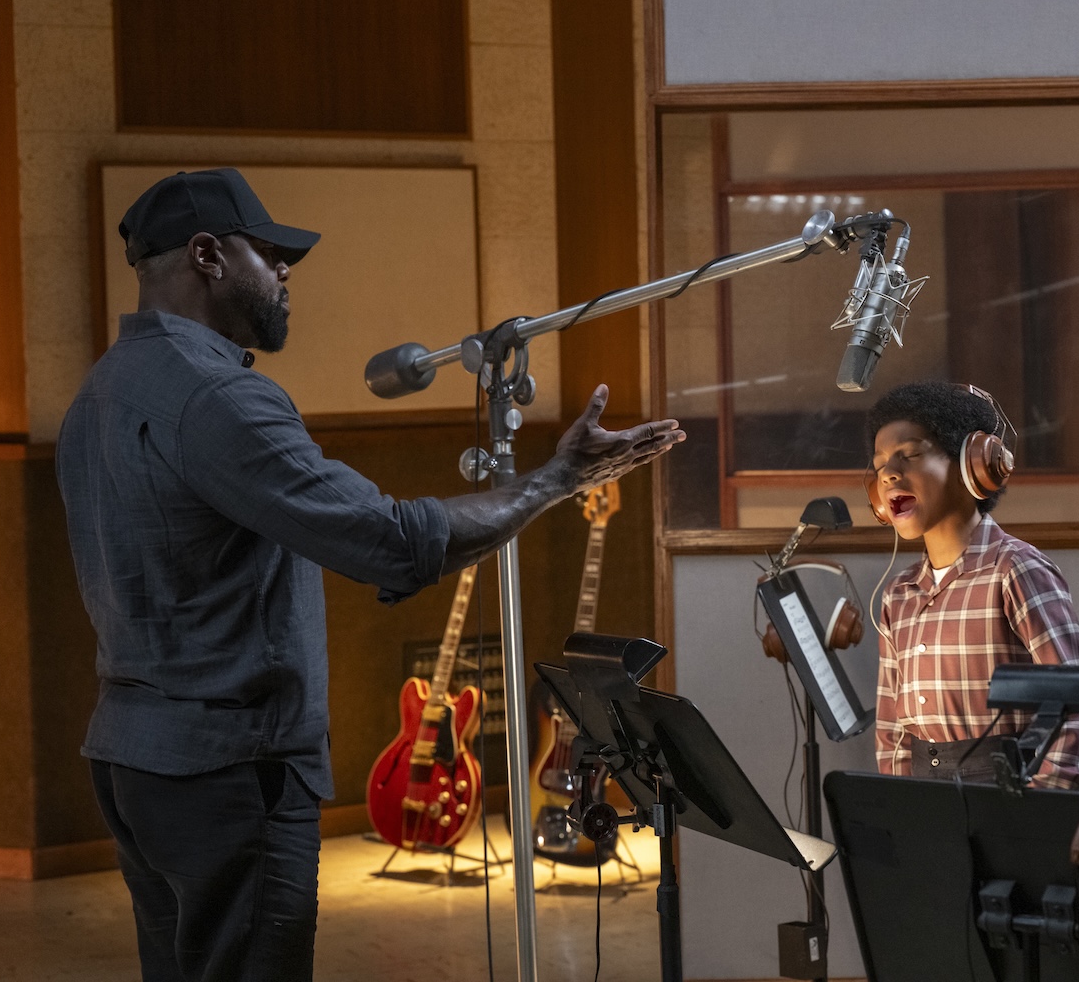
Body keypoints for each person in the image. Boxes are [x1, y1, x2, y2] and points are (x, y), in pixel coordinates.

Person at [55, 168, 684, 982]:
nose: (286, 274)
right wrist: (552, 482)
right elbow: (393, 541)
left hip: (139, 763)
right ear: (208, 255)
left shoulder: (98, 393)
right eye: (270, 253)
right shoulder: (218, 399)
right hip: (229, 772)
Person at [865, 380, 1079, 789]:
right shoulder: (897, 594)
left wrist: (1044, 796)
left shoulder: (1015, 570)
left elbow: (1077, 699)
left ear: (973, 466)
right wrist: (900, 806)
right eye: (881, 462)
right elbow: (891, 723)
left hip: (1006, 788)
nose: (889, 474)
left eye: (910, 455)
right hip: (924, 792)